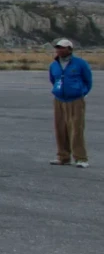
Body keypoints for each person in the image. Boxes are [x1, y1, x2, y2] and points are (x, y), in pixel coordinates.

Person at [49, 38, 92, 168]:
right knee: (60, 129)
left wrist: (80, 92)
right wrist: (59, 91)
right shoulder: (54, 65)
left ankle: (81, 158)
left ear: (69, 49)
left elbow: (88, 81)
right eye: (57, 48)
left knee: (76, 129)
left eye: (62, 48)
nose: (59, 50)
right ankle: (63, 157)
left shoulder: (80, 63)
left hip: (75, 100)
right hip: (59, 100)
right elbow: (53, 79)